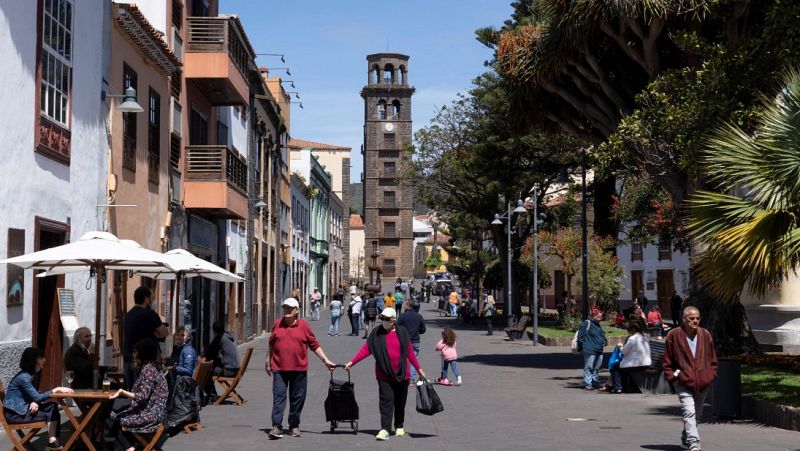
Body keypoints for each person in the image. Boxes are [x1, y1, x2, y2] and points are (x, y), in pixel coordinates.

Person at [344, 308, 426, 441]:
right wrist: (352, 362)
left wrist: (419, 369)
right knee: (386, 401)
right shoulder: (377, 333)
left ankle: (399, 425)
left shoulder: (403, 332)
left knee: (400, 402)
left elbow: (410, 352)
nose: (384, 321)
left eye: (387, 319)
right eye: (382, 318)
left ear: (393, 320)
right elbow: (366, 349)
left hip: (402, 374)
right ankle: (385, 429)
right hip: (384, 375)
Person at [266, 298, 335, 439]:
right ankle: (276, 426)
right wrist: (268, 360)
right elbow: (271, 343)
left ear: (297, 310)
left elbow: (314, 345)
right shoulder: (277, 324)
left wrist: (325, 360)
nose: (287, 310)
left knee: (297, 398)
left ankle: (294, 425)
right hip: (279, 368)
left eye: (290, 308)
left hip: (299, 369)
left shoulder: (304, 326)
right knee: (279, 396)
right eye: (285, 307)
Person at [662, 306, 718, 451]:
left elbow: (713, 359)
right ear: (684, 319)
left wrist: (710, 375)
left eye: (697, 318)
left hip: (703, 382)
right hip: (683, 382)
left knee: (696, 415)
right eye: (692, 318)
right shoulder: (674, 335)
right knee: (689, 412)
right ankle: (694, 443)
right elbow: (667, 363)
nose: (695, 321)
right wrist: (675, 378)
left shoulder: (705, 334)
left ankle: (685, 437)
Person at [3, 347, 73, 450]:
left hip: (22, 409)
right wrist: (56, 389)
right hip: (15, 414)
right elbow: (37, 396)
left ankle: (52, 441)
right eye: (41, 357)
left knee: (52, 406)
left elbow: (34, 395)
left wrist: (34, 401)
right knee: (50, 412)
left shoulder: (31, 375)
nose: (44, 360)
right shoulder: (24, 377)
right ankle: (53, 441)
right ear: (33, 360)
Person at [106, 339, 169, 451]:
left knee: (110, 416)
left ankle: (129, 447)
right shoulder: (153, 367)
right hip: (156, 412)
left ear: (143, 353)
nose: (133, 354)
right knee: (115, 411)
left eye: (135, 351)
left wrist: (122, 391)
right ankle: (130, 444)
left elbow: (142, 396)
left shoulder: (148, 370)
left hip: (150, 415)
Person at [123, 286, 169, 389]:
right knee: (145, 392)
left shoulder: (128, 315)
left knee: (132, 391)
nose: (152, 301)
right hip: (145, 361)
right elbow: (164, 332)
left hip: (129, 358)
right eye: (152, 298)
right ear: (146, 299)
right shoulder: (149, 314)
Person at [607, 319, 651, 394]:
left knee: (616, 367)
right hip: (646, 363)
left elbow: (623, 351)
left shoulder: (632, 338)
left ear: (633, 330)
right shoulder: (644, 337)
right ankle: (627, 386)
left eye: (629, 330)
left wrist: (620, 346)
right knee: (623, 368)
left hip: (636, 364)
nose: (628, 332)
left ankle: (618, 388)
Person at [203, 322, 240, 402]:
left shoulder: (220, 337)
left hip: (229, 370)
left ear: (214, 331)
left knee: (205, 373)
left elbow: (209, 352)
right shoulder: (228, 336)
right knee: (213, 367)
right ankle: (212, 394)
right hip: (236, 369)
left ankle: (212, 395)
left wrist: (203, 356)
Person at [396, 299, 426, 384]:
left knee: (403, 359)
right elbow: (423, 329)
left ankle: (403, 377)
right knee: (413, 360)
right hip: (415, 340)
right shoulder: (419, 316)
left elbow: (397, 328)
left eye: (405, 304)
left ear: (408, 305)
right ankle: (411, 379)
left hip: (404, 341)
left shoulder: (402, 316)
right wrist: (417, 331)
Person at [577, 309, 607, 390]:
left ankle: (594, 381)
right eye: (598, 317)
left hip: (599, 350)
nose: (600, 319)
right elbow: (580, 336)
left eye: (601, 317)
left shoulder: (598, 325)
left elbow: (601, 334)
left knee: (597, 367)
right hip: (590, 349)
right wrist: (581, 346)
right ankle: (588, 383)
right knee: (589, 367)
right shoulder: (587, 323)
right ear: (593, 316)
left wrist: (604, 340)